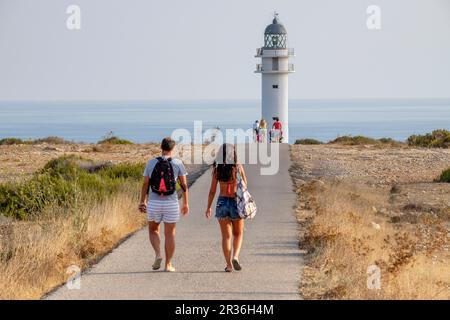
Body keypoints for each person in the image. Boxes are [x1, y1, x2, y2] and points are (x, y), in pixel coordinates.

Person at [139, 137, 189, 272]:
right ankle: (168, 264)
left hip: (154, 203)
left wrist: (142, 201)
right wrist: (186, 203)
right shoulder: (178, 163)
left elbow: (145, 184)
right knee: (170, 234)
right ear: (173, 149)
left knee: (153, 230)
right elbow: (184, 185)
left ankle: (158, 254)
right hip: (171, 203)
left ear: (161, 148)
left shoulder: (151, 163)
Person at [205, 144, 248, 272]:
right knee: (238, 233)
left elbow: (212, 191)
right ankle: (235, 256)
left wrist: (208, 207)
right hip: (235, 201)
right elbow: (245, 184)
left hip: (222, 202)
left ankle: (229, 265)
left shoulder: (217, 170)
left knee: (226, 236)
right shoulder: (237, 167)